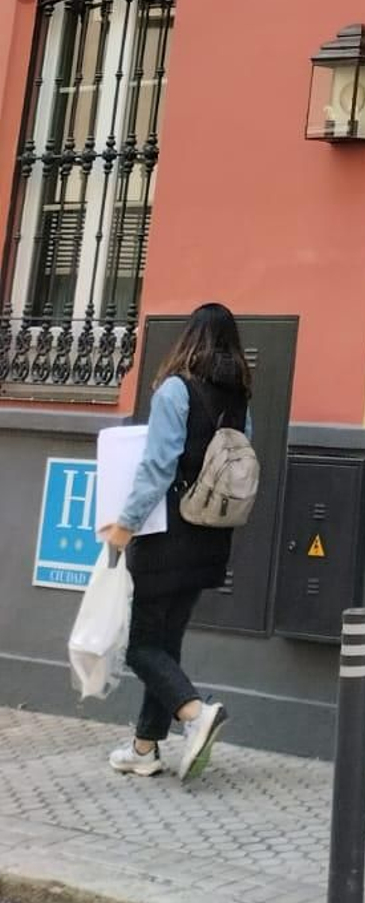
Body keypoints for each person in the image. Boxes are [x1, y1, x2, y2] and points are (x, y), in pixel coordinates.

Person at [99, 303, 252, 783]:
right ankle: (145, 748)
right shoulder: (240, 397)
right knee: (166, 640)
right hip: (212, 536)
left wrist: (125, 523)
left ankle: (194, 712)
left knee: (141, 646)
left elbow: (157, 467)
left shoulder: (175, 389)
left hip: (167, 534)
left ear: (189, 337)